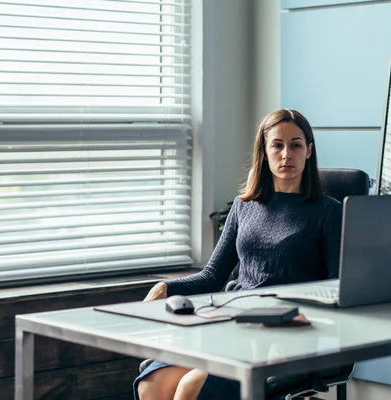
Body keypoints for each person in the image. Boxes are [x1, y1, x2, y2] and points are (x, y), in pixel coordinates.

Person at [135, 108, 343, 400]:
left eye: (296, 145)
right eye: (277, 145)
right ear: (264, 150)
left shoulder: (329, 212)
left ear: (309, 151)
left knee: (189, 389)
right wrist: (166, 287)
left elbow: (337, 288)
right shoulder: (244, 205)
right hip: (234, 321)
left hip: (286, 332)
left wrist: (303, 316)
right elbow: (212, 276)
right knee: (153, 384)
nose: (286, 154)